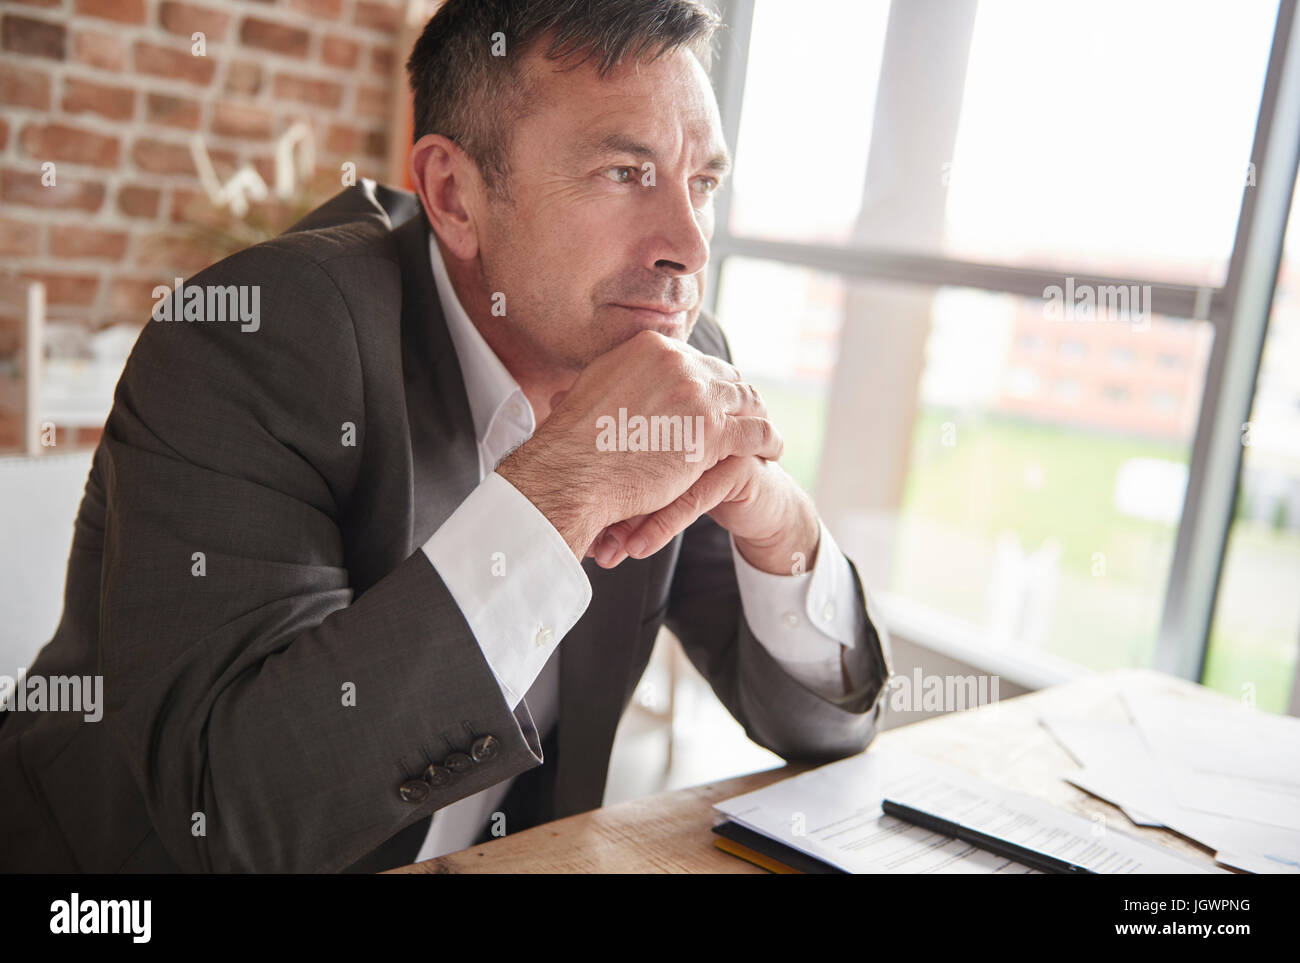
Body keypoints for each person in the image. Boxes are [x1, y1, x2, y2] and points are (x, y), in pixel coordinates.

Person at [0, 0, 893, 873]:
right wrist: (561, 488)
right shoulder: (258, 332)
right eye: (625, 173)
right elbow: (237, 812)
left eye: (701, 182)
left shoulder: (674, 359)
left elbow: (824, 724)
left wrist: (784, 531)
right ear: (455, 195)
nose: (690, 249)